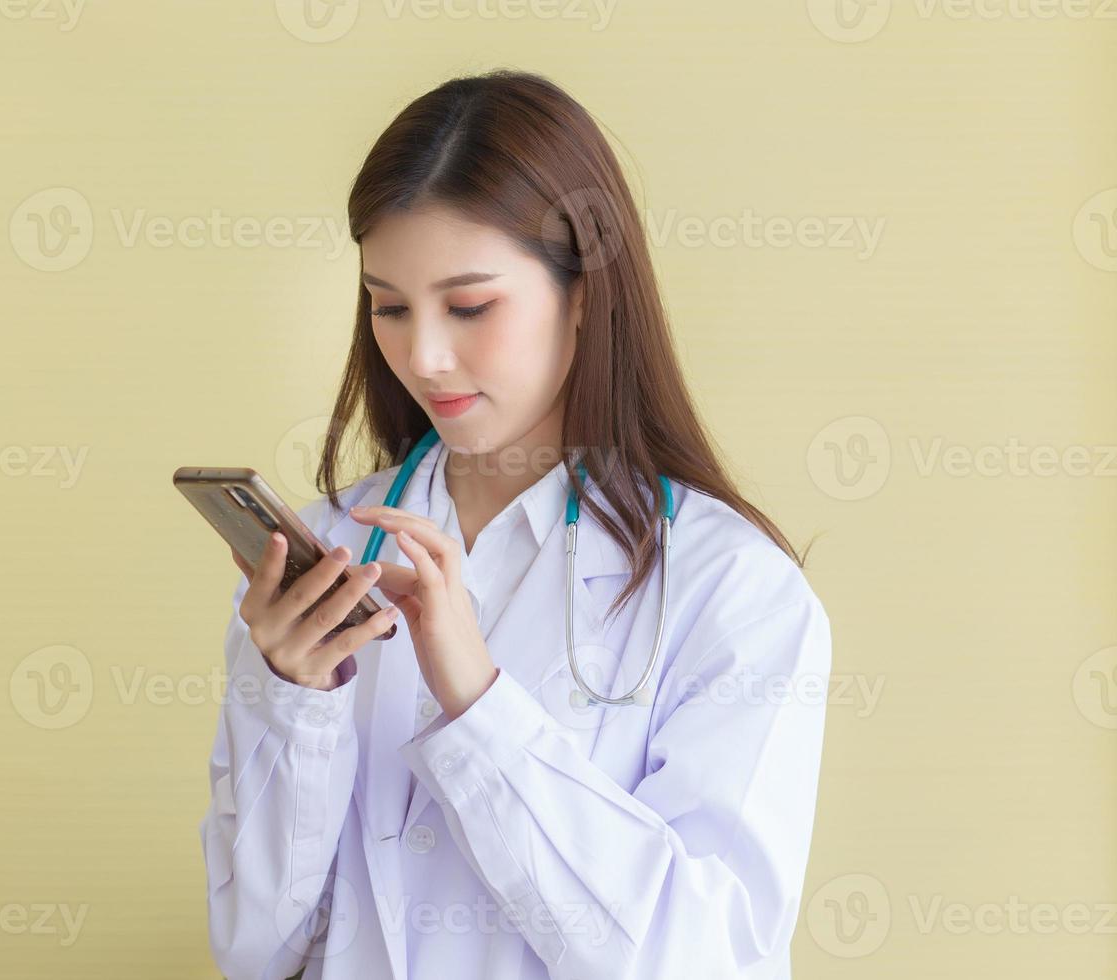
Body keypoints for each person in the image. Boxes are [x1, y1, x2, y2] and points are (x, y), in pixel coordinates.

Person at [199, 68, 832, 980]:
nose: (422, 353)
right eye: (388, 306)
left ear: (583, 290)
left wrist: (481, 706)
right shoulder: (325, 551)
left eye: (469, 306)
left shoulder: (733, 589)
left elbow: (703, 962)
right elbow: (256, 951)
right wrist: (294, 702)